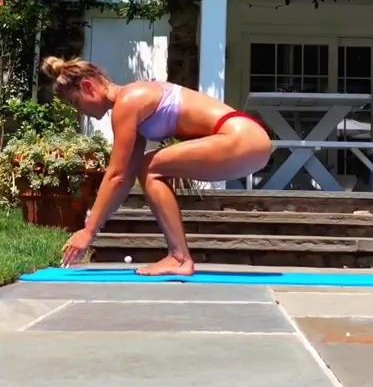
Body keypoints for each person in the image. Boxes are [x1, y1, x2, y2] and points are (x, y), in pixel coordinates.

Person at [41, 56, 272, 276]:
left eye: (75, 102)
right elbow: (125, 179)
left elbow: (116, 175)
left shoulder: (128, 100)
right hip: (250, 142)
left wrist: (88, 231)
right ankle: (179, 256)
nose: (80, 111)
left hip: (243, 136)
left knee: (149, 167)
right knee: (147, 168)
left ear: (88, 87)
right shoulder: (133, 106)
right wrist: (93, 226)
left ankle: (179, 258)